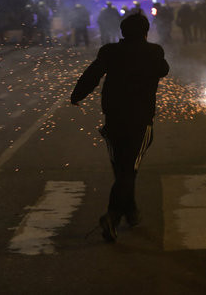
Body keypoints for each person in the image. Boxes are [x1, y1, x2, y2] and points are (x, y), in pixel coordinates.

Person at [70, 13, 169, 242]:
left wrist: (77, 95)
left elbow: (92, 75)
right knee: (129, 171)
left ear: (122, 32)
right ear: (146, 32)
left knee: (122, 169)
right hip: (140, 120)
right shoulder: (153, 51)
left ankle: (131, 212)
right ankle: (112, 215)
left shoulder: (109, 51)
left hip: (113, 119)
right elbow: (164, 70)